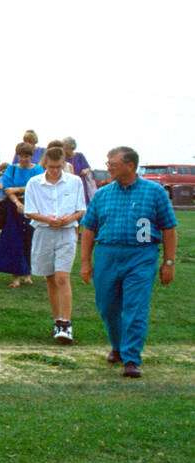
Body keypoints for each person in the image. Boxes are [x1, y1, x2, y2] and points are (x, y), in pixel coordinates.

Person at [80, 147, 178, 377]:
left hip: (141, 256)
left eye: (113, 164)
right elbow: (89, 229)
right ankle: (118, 346)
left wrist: (169, 262)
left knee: (135, 307)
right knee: (107, 306)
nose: (108, 168)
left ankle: (131, 358)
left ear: (130, 166)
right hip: (108, 255)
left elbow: (169, 228)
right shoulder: (103, 194)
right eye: (108, 163)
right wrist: (85, 262)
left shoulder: (155, 192)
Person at [22, 146, 86, 344]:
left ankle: (66, 324)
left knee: (62, 277)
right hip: (44, 232)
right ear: (45, 165)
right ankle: (57, 320)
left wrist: (69, 219)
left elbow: (81, 209)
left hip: (66, 233)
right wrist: (47, 219)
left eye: (58, 167)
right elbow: (30, 211)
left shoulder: (74, 182)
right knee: (50, 278)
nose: (55, 171)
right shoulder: (34, 183)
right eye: (51, 167)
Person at [0, 142, 42, 287]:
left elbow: (37, 188)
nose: (23, 159)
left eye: (26, 156)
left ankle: (27, 274)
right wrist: (18, 202)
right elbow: (7, 189)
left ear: (31, 156)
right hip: (14, 208)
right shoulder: (11, 169)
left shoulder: (38, 169)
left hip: (33, 208)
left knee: (29, 240)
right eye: (21, 156)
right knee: (14, 240)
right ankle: (15, 277)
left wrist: (17, 189)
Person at [62, 137, 95, 201]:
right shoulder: (63, 158)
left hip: (81, 183)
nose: (65, 150)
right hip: (68, 184)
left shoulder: (79, 156)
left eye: (67, 148)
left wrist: (85, 171)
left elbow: (88, 168)